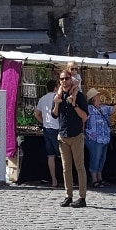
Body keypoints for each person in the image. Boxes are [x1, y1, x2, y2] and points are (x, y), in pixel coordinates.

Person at [50, 68, 88, 208]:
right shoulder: (58, 96)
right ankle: (68, 196)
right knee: (66, 168)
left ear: (71, 80)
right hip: (63, 135)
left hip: (76, 135)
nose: (64, 81)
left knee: (79, 167)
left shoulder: (79, 96)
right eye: (62, 79)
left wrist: (74, 104)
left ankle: (82, 197)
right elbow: (54, 115)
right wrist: (57, 104)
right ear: (59, 81)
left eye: (67, 78)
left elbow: (84, 116)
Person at [84, 88, 116, 188]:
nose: (99, 96)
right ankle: (94, 178)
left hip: (104, 138)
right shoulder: (88, 109)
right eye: (97, 95)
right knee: (95, 157)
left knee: (102, 158)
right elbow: (83, 120)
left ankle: (99, 177)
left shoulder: (103, 108)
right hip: (94, 138)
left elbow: (113, 109)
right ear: (93, 98)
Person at [34, 79, 60, 187]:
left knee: (50, 156)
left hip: (46, 128)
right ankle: (67, 178)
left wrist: (43, 122)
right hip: (57, 128)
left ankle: (54, 180)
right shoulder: (57, 97)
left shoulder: (42, 98)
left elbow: (36, 114)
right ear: (55, 87)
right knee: (63, 155)